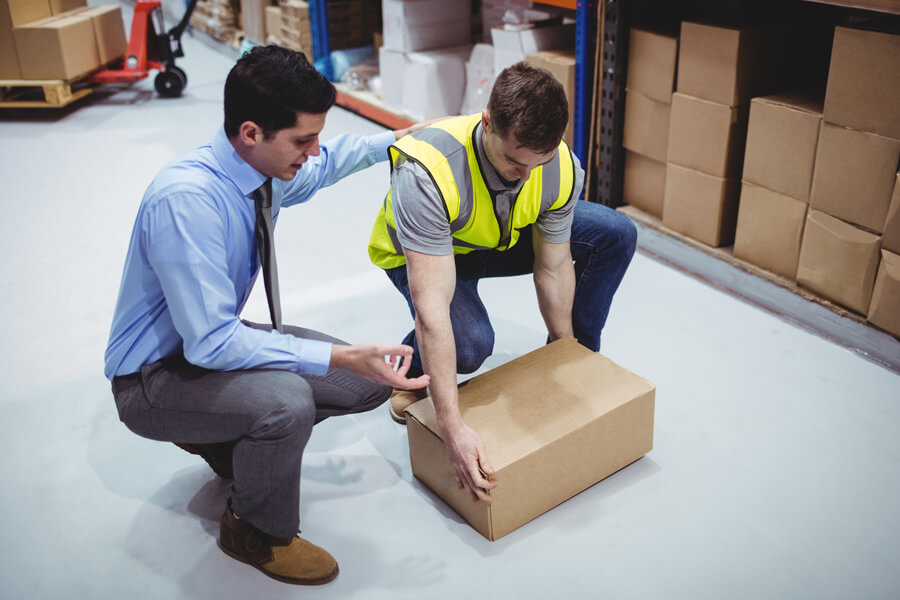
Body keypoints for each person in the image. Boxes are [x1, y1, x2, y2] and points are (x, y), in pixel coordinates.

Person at [104, 46, 429, 586]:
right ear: (251, 132)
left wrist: (396, 143)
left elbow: (328, 167)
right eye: (303, 140)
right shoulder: (187, 201)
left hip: (201, 346)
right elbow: (211, 345)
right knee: (289, 399)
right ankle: (255, 529)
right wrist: (337, 354)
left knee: (363, 384)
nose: (314, 151)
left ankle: (231, 444)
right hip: (153, 377)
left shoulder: (263, 171)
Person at [368, 62, 637, 505]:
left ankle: (579, 359)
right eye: (514, 161)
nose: (527, 175)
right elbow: (432, 305)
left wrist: (562, 359)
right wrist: (451, 427)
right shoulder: (428, 169)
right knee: (469, 344)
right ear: (487, 122)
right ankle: (411, 372)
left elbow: (553, 266)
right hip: (426, 252)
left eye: (540, 162)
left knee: (614, 234)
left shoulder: (558, 166)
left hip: (497, 233)